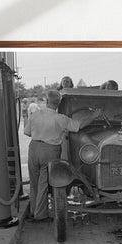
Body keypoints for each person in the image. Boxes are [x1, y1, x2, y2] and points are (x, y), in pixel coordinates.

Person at [24, 90, 101, 221]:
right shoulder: (60, 119)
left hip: (34, 148)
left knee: (34, 181)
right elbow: (79, 125)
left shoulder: (35, 115)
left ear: (47, 102)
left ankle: (32, 211)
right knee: (44, 182)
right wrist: (94, 115)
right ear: (58, 104)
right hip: (50, 150)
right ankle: (40, 215)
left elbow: (27, 133)